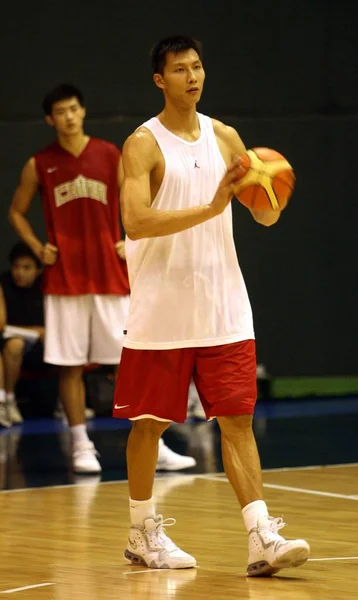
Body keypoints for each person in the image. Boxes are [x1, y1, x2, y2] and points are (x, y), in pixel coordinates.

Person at [113, 35, 310, 576]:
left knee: (238, 421)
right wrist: (210, 206)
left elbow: (261, 215)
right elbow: (134, 221)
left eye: (197, 67)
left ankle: (260, 536)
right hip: (161, 313)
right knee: (148, 426)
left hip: (224, 306)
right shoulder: (143, 145)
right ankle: (141, 533)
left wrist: (270, 192)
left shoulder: (225, 136)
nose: (192, 77)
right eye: (180, 69)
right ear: (160, 80)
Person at [8, 84, 196, 474]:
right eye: (61, 111)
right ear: (50, 119)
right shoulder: (40, 163)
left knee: (132, 363)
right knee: (70, 366)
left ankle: (154, 446)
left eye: (74, 108)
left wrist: (131, 238)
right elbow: (17, 211)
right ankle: (80, 445)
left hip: (111, 275)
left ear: (83, 111)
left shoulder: (110, 154)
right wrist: (36, 245)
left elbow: (146, 196)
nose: (69, 116)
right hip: (65, 279)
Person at [0, 242, 45, 425]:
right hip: (7, 341)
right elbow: (1, 325)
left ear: (38, 270)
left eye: (26, 267)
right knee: (14, 344)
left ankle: (67, 402)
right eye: (16, 267)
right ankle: (6, 401)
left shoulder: (46, 287)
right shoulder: (4, 283)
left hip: (40, 349)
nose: (20, 272)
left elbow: (47, 332)